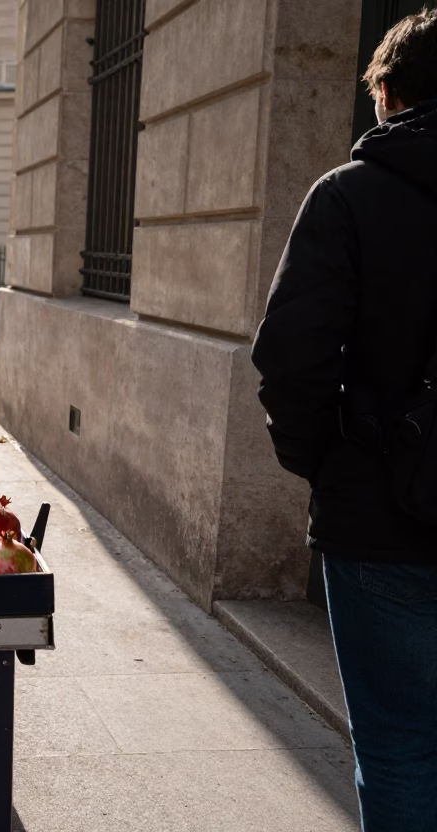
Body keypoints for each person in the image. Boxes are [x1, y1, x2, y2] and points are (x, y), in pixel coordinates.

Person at [251, 11, 437, 831]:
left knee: (398, 746)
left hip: (381, 520)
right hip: (377, 507)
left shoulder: (350, 197)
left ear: (388, 95)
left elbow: (292, 358)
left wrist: (328, 462)